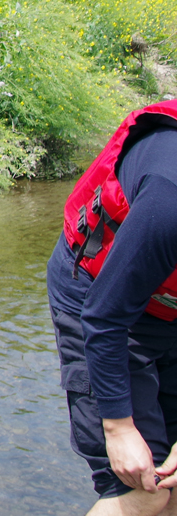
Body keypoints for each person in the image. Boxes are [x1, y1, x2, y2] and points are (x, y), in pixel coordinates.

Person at [47, 100, 177, 515]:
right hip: (98, 293)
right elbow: (104, 316)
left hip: (165, 307)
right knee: (145, 490)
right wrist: (118, 429)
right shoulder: (169, 199)